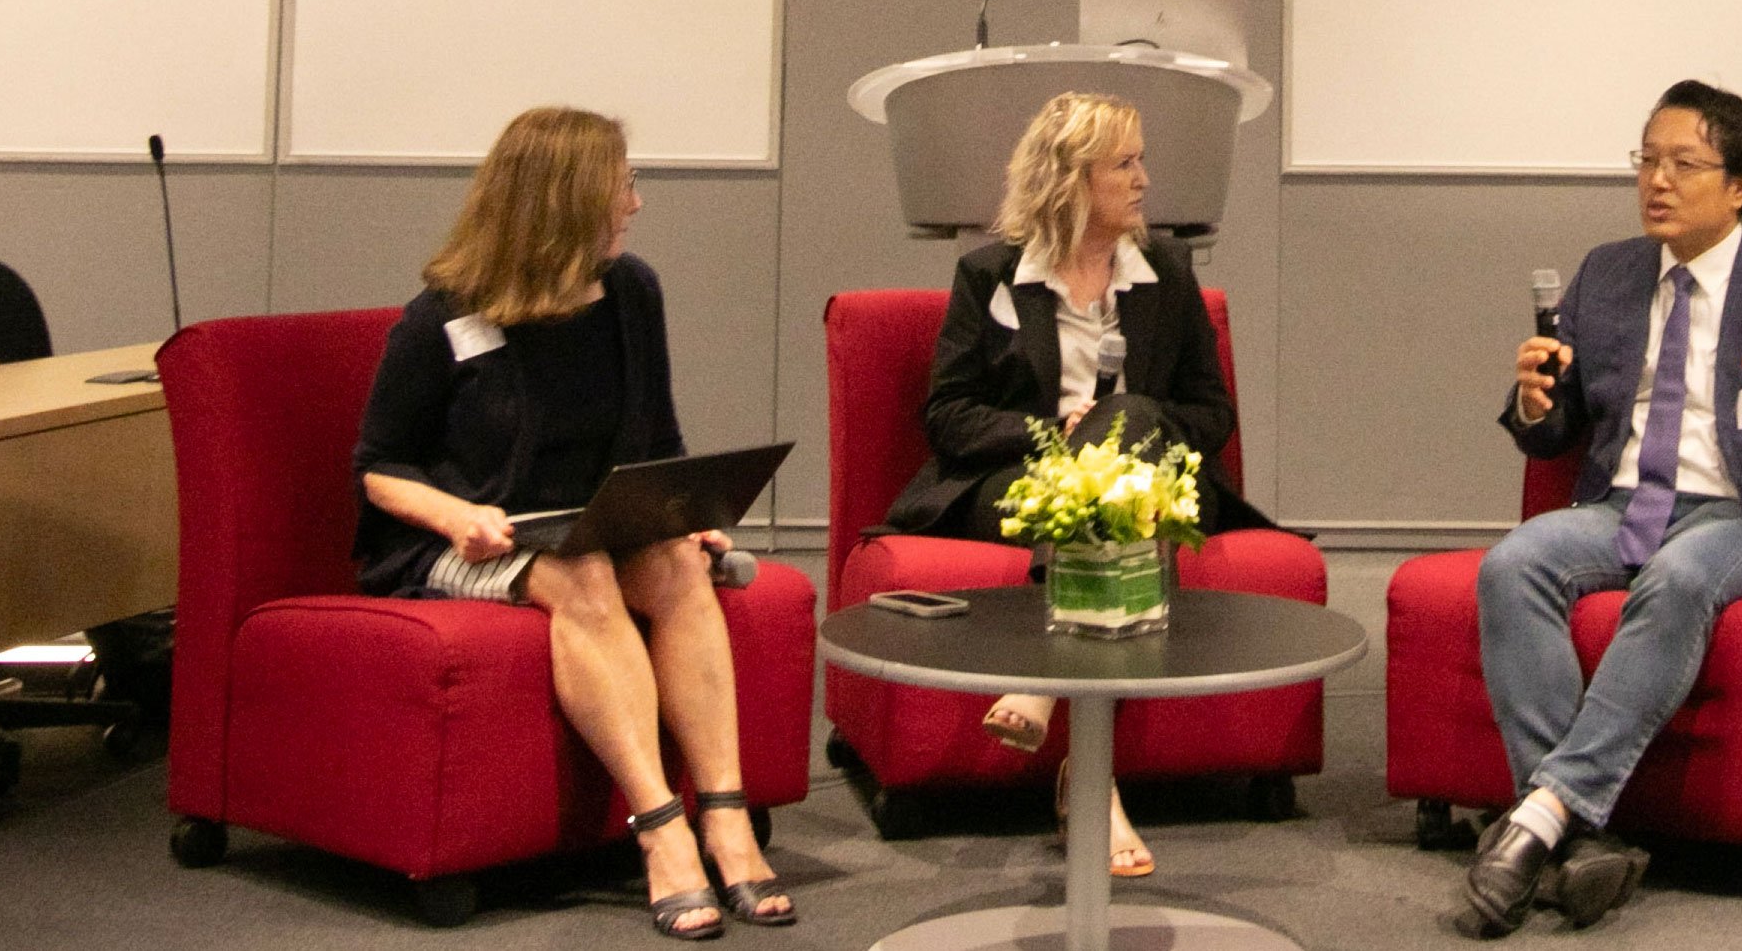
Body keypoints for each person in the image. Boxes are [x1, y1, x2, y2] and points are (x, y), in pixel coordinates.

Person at [352, 105, 792, 937]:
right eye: (623, 186)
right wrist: (458, 516)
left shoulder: (632, 291)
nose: (635, 204)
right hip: (463, 540)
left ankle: (727, 818)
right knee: (581, 578)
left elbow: (658, 438)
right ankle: (663, 833)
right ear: (565, 200)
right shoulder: (444, 314)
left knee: (675, 566)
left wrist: (685, 514)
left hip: (591, 522)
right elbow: (378, 467)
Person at [1457, 81, 1742, 939]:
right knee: (1513, 563)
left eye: (1684, 164)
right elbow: (1559, 432)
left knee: (1678, 581)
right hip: (1621, 502)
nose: (1658, 181)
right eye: (1646, 160)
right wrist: (1534, 402)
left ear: (1740, 185)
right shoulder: (1608, 274)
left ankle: (1535, 817)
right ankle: (1574, 834)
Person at [885, 91, 1274, 881]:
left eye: (1140, 162)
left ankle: (1045, 692)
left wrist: (1122, 430)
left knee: (1127, 428)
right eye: (1125, 165)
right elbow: (950, 416)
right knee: (1122, 504)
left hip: (1150, 474)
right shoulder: (990, 273)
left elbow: (1211, 412)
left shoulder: (1165, 269)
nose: (1144, 180)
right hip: (1024, 483)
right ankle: (1092, 790)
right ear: (1071, 180)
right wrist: (1055, 437)